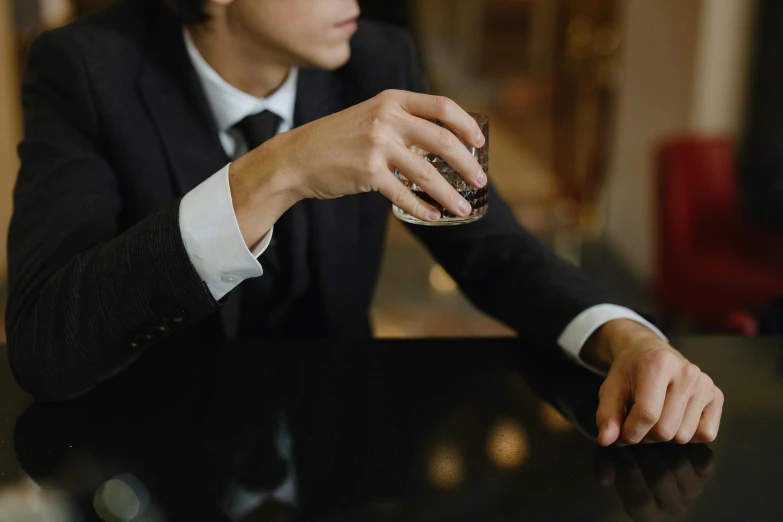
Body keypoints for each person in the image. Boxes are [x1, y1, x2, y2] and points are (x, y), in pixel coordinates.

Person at [6, 0, 723, 446]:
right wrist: (275, 170)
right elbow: (45, 346)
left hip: (334, 450)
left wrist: (624, 338)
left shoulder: (376, 56)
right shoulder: (86, 69)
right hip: (144, 453)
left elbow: (492, 250)